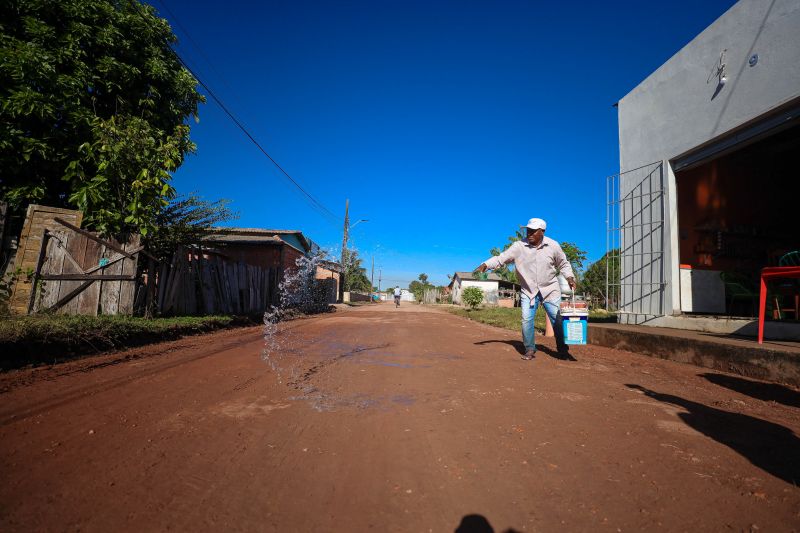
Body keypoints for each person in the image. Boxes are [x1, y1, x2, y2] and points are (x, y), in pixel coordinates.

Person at [475, 217, 576, 361]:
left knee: (558, 321)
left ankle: (563, 350)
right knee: (526, 320)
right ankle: (529, 349)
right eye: (528, 231)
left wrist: (570, 278)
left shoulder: (553, 246)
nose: (530, 234)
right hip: (528, 290)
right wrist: (485, 264)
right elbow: (501, 258)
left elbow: (563, 264)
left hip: (550, 289)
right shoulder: (519, 246)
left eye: (533, 231)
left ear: (542, 232)